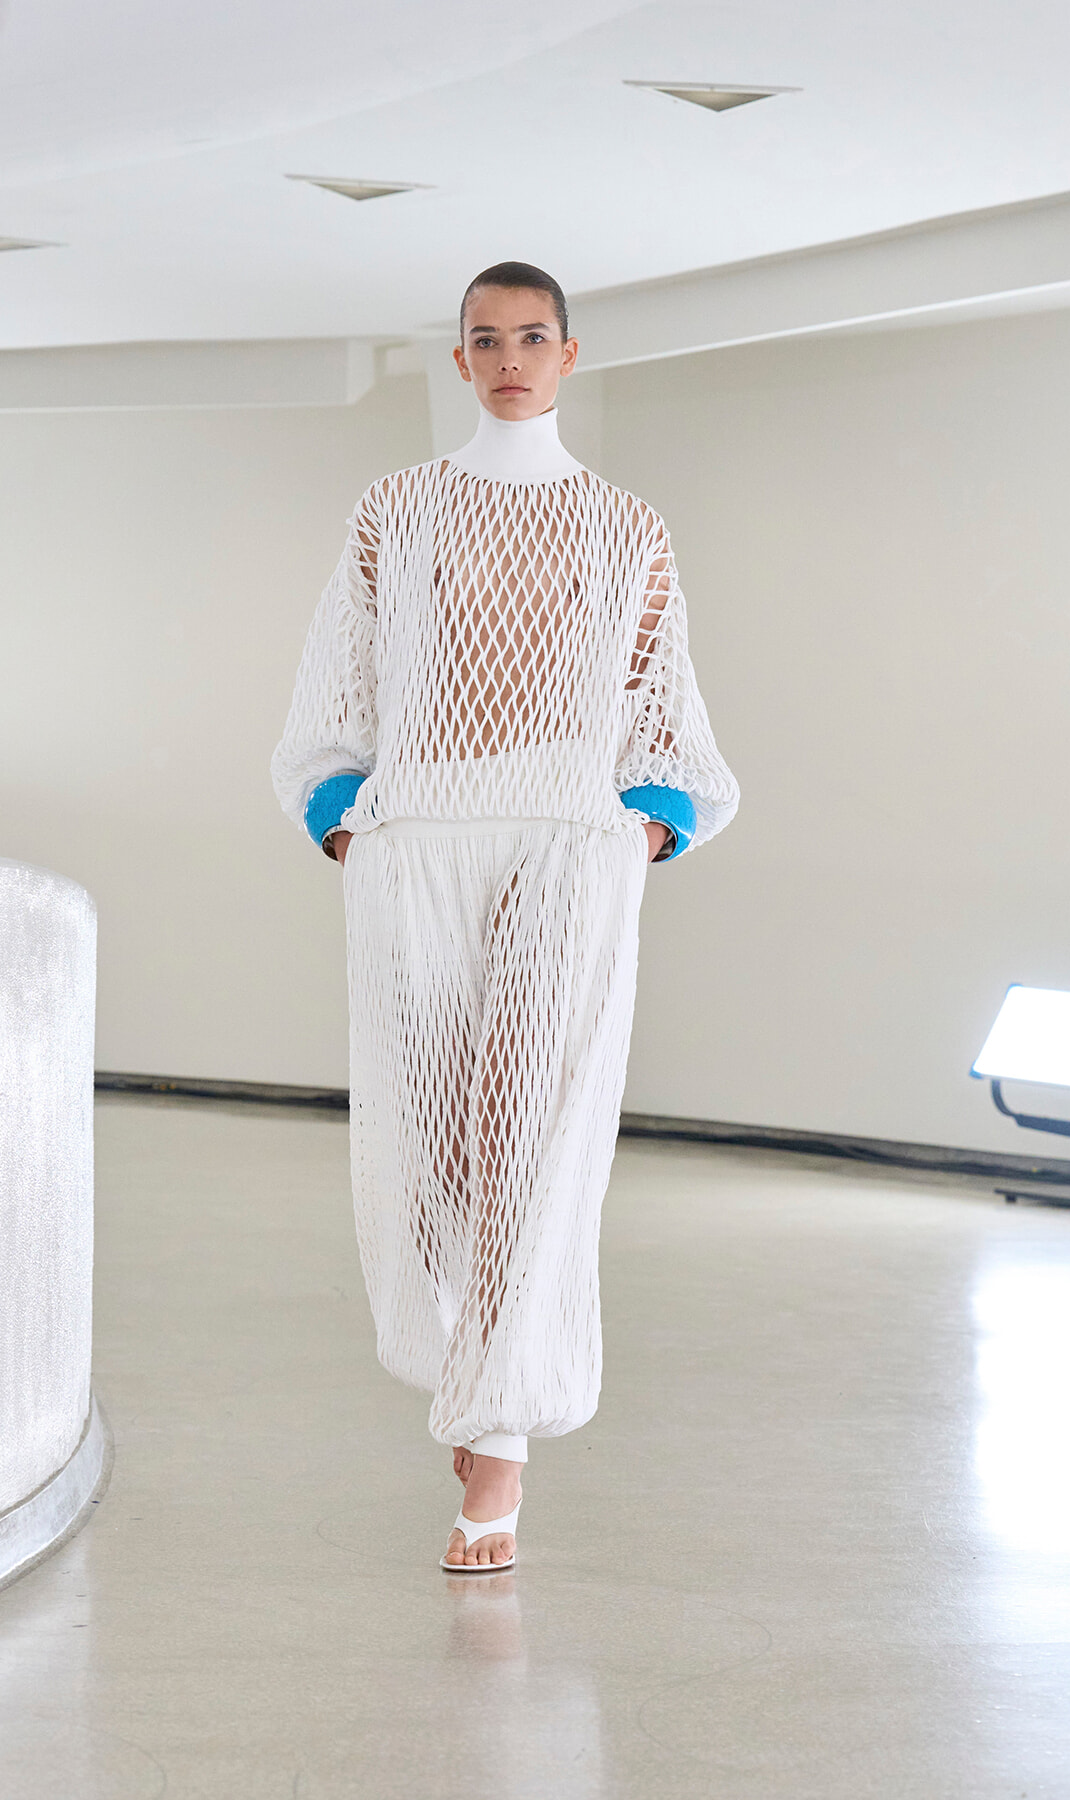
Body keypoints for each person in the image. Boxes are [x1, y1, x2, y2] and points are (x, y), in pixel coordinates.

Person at [272, 261, 738, 1571]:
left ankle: (500, 1451)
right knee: (432, 1147)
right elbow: (341, 675)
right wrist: (339, 811)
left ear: (569, 355)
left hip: (569, 841)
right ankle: (472, 1384)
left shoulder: (627, 525)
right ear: (462, 359)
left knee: (533, 1126)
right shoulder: (397, 509)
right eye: (486, 338)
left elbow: (665, 700)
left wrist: (651, 819)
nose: (511, 356)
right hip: (417, 841)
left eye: (534, 336)